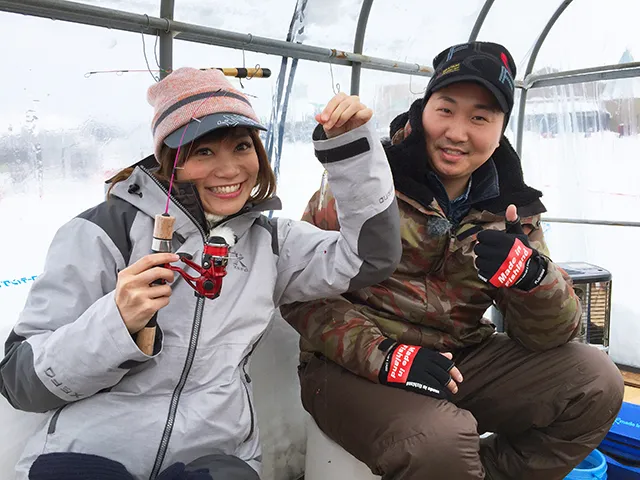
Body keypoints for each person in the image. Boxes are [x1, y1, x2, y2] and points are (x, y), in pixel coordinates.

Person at [0, 67, 402, 479]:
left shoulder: (273, 242)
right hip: (92, 451)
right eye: (203, 151)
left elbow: (369, 257)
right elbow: (20, 382)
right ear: (168, 159)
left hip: (214, 454)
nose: (229, 170)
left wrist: (351, 150)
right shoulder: (102, 232)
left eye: (242, 147)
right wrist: (115, 322)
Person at [280, 41, 624, 480]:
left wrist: (530, 278)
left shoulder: (512, 208)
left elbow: (552, 335)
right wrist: (386, 357)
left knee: (596, 380)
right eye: (445, 109)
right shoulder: (365, 182)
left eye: (480, 117)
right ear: (423, 109)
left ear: (501, 127)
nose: (458, 132)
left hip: (459, 357)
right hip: (349, 368)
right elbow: (300, 292)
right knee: (439, 438)